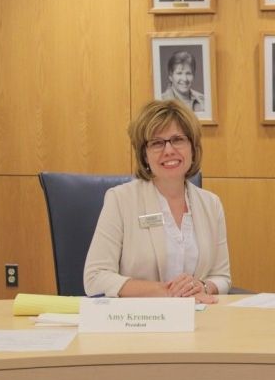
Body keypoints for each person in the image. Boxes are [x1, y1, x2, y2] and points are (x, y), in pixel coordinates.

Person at [84, 100, 230, 301]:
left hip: (199, 318)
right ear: (144, 155)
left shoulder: (211, 204)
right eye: (156, 143)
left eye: (178, 139)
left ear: (193, 147)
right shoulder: (120, 200)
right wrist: (167, 290)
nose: (169, 150)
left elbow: (222, 277)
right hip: (139, 323)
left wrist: (202, 286)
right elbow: (95, 277)